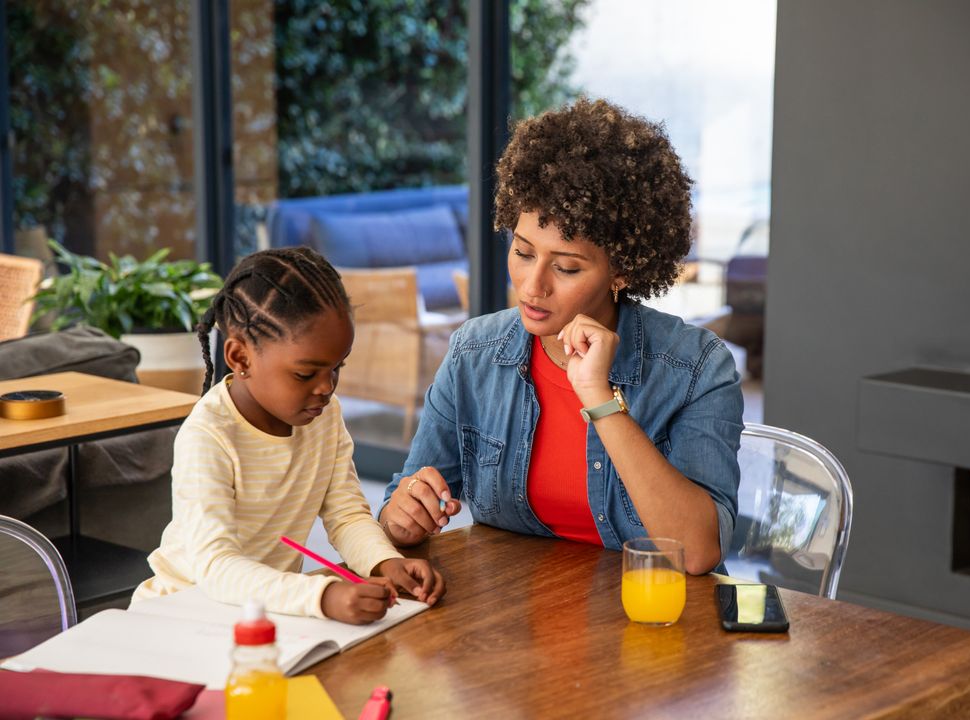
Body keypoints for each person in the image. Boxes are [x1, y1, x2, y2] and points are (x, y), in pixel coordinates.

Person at [380, 98, 743, 574]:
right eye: (523, 252)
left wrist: (599, 398)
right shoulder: (474, 353)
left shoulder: (696, 368)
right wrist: (401, 518)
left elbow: (696, 552)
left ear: (623, 270)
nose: (532, 287)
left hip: (655, 623)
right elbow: (401, 507)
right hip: (512, 624)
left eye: (567, 267)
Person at [132, 247, 445, 623]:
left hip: (267, 615)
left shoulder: (325, 418)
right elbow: (216, 566)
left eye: (336, 368)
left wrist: (386, 563)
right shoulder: (208, 436)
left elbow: (345, 515)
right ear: (240, 358)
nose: (326, 388)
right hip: (180, 617)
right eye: (305, 374)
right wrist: (322, 595)